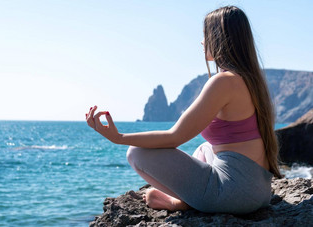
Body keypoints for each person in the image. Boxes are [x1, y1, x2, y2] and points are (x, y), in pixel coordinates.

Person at [85, 5, 281, 214]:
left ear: (219, 38)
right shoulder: (251, 80)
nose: (202, 41)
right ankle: (190, 199)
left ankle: (180, 203)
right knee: (205, 149)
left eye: (205, 35)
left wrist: (119, 137)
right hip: (259, 190)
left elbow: (174, 136)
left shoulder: (223, 82)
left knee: (136, 153)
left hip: (234, 195)